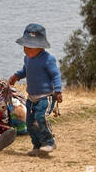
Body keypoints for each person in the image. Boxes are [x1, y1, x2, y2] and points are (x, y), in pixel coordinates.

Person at [8, 22, 62, 156]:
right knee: (30, 122)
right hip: (31, 97)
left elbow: (55, 75)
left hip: (46, 96)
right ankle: (37, 145)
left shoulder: (48, 59)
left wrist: (58, 90)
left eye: (29, 47)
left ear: (39, 47)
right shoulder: (28, 58)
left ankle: (49, 142)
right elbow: (25, 70)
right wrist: (17, 76)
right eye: (24, 46)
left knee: (40, 117)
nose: (25, 50)